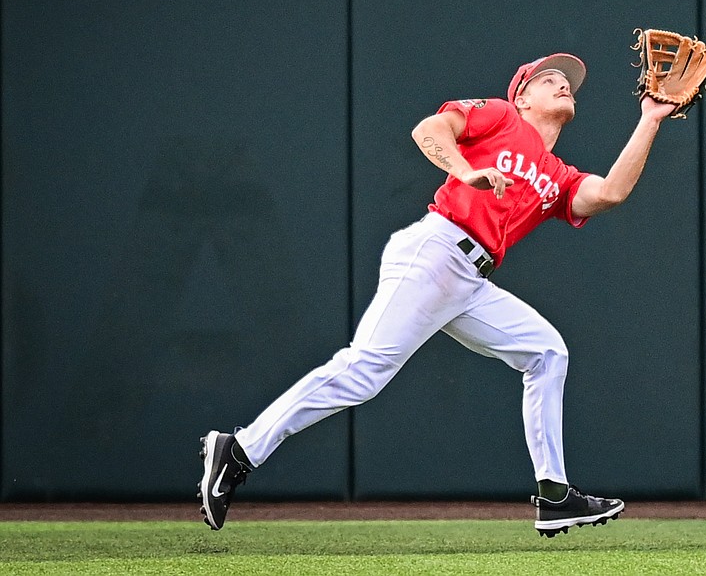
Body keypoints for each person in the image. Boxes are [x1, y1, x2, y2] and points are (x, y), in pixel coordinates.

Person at [198, 52, 677, 536]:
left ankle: (554, 495)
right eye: (548, 79)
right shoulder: (501, 114)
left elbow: (610, 193)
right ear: (522, 96)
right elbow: (429, 129)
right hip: (437, 249)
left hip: (470, 282)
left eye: (567, 82)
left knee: (547, 351)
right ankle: (239, 450)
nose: (562, 85)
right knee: (364, 372)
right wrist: (466, 170)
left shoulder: (557, 175)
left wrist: (650, 119)